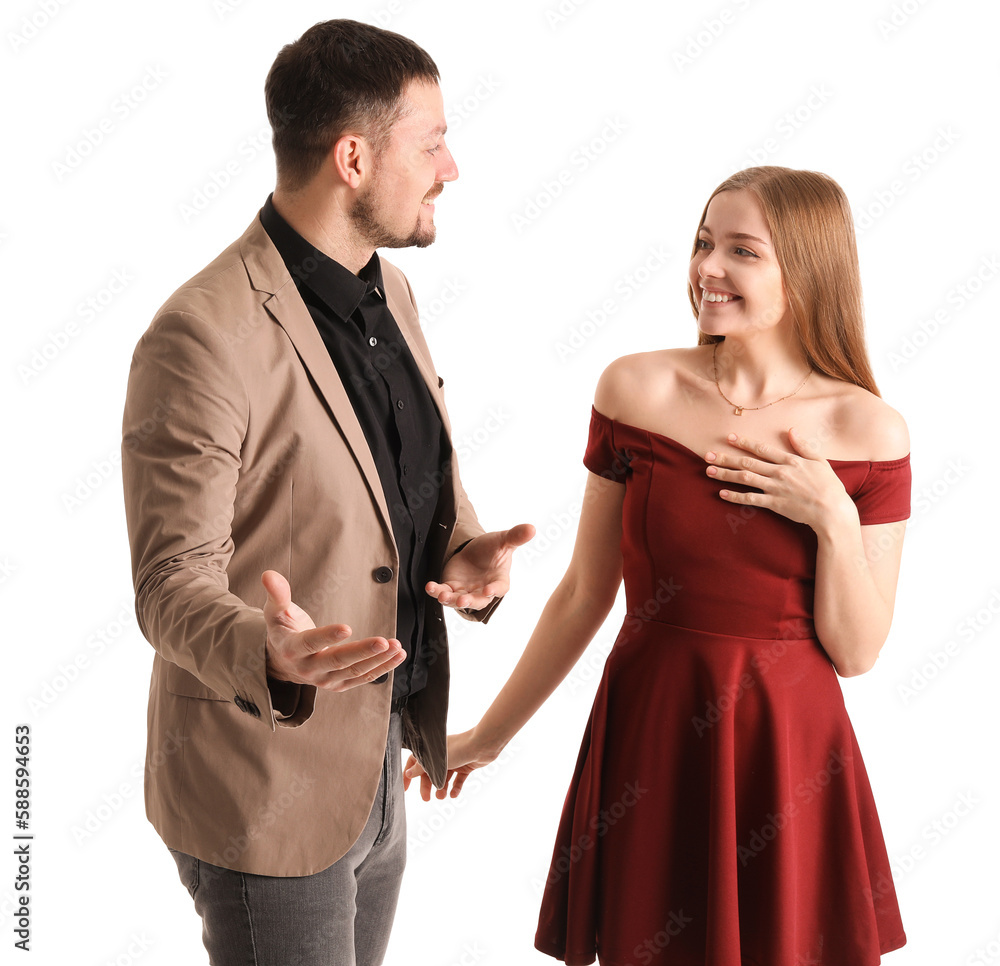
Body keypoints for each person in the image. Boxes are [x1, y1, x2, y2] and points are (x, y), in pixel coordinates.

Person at [405, 166, 910, 965]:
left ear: (808, 269)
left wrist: (832, 518)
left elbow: (857, 651)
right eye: (705, 243)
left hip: (788, 747)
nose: (708, 267)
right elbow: (582, 594)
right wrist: (487, 736)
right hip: (654, 723)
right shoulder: (635, 388)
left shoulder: (869, 428)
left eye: (743, 251)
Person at [120, 19, 532, 966]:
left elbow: (385, 480)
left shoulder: (390, 290)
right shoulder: (201, 335)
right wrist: (267, 652)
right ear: (353, 156)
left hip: (380, 759)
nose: (451, 168)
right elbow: (169, 583)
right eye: (430, 142)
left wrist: (459, 550)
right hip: (267, 779)